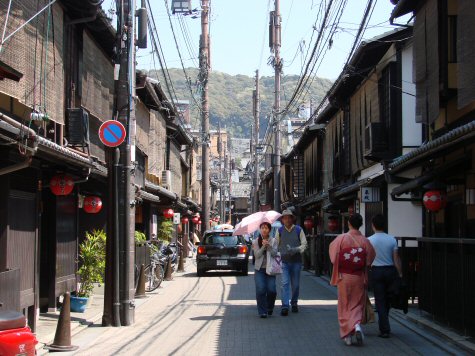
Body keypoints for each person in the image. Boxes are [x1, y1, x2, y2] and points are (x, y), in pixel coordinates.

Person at [329, 214, 375, 346]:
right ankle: (357, 326)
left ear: (349, 223)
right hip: (358, 276)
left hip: (344, 276)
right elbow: (370, 258)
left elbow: (333, 258)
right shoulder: (365, 241)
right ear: (360, 224)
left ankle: (347, 335)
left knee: (344, 304)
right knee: (357, 303)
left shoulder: (341, 238)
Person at [367, 214, 403, 338]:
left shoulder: (369, 240)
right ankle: (385, 323)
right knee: (387, 299)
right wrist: (400, 273)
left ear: (373, 225)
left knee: (380, 300)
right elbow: (396, 258)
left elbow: (367, 259)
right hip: (390, 271)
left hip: (376, 271)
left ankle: (384, 329)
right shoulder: (392, 239)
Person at [275, 209, 307, 316]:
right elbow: (275, 245)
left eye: (289, 217)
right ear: (282, 220)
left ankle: (294, 303)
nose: (287, 219)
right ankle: (285, 306)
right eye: (285, 218)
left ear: (292, 218)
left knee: (296, 285)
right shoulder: (279, 231)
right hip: (284, 261)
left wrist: (295, 249)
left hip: (296, 261)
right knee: (285, 283)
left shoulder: (299, 230)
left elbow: (304, 244)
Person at [252, 222, 278, 318]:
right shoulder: (255, 241)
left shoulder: (274, 241)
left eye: (266, 228)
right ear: (260, 229)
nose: (264, 230)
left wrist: (269, 246)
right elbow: (257, 255)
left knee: (272, 290)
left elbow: (275, 253)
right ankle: (262, 311)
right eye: (262, 228)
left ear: (269, 230)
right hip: (259, 270)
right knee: (261, 290)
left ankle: (269, 307)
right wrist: (263, 246)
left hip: (270, 269)